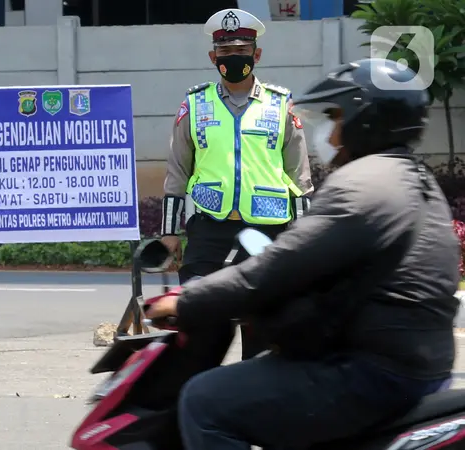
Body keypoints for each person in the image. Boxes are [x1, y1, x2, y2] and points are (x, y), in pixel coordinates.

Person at [146, 58, 460, 449]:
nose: (328, 135)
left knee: (204, 400)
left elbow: (274, 269)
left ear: (366, 119)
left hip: (371, 370)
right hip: (413, 362)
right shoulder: (415, 180)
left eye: (336, 116)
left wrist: (186, 299)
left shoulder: (361, 186)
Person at [159, 8, 314, 368]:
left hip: (268, 228)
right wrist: (169, 233)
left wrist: (305, 235)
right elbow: (177, 170)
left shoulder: (280, 106)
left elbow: (300, 176)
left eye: (242, 51)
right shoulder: (195, 106)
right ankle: (194, 392)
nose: (233, 59)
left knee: (260, 322)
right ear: (213, 58)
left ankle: (255, 400)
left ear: (256, 55)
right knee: (195, 315)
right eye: (225, 53)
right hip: (209, 227)